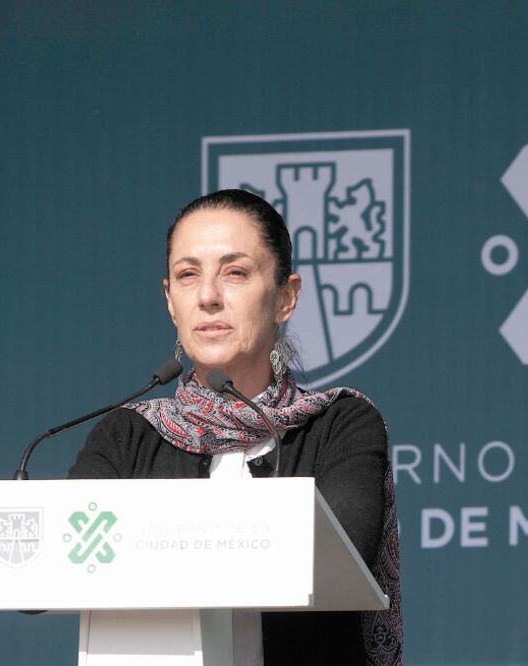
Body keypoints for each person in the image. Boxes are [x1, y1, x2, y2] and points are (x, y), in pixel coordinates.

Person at [69, 189, 402, 664]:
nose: (207, 297)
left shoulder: (340, 424)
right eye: (188, 276)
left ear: (286, 297)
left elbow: (340, 555)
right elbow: (53, 571)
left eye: (236, 272)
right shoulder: (126, 436)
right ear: (169, 300)